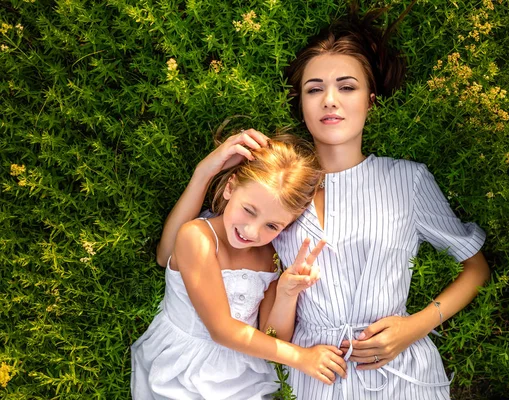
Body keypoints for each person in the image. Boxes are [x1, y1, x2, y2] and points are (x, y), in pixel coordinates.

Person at [156, 6, 490, 400]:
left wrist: (415, 326)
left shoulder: (409, 179)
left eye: (347, 87)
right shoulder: (275, 193)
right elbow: (176, 254)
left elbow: (475, 268)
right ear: (301, 103)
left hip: (400, 370)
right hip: (317, 374)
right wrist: (204, 172)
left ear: (371, 100)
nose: (330, 100)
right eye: (315, 89)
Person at [132, 135, 348, 399]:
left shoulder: (270, 256)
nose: (252, 231)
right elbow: (222, 330)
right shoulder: (198, 237)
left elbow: (272, 335)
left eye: (272, 226)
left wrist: (286, 293)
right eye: (249, 210)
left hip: (245, 372)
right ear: (230, 188)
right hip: (186, 371)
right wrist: (301, 358)